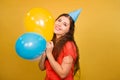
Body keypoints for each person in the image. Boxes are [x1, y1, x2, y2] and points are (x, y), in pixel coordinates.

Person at [39, 9, 82, 80]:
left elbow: (63, 74)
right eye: (59, 20)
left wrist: (49, 54)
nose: (59, 24)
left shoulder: (69, 46)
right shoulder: (51, 42)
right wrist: (44, 55)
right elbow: (42, 68)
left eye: (65, 24)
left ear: (69, 30)